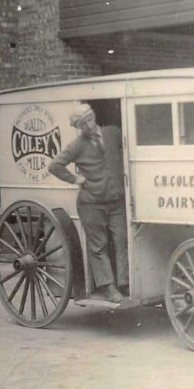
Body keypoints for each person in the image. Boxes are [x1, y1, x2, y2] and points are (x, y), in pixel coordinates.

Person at [49, 101, 128, 304]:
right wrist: (76, 179)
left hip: (116, 200)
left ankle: (124, 282)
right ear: (78, 127)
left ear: (94, 117)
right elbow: (54, 165)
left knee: (122, 239)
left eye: (90, 120)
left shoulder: (113, 133)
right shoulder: (76, 146)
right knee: (98, 246)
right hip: (91, 204)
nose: (89, 126)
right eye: (83, 124)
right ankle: (108, 288)